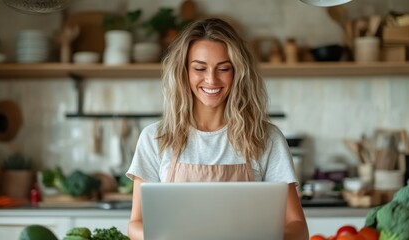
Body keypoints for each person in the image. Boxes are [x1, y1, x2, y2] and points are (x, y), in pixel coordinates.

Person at [126, 17, 309, 240]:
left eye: (223, 68)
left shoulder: (267, 138)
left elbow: (298, 226)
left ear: (238, 73)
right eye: (199, 68)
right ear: (183, 72)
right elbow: (136, 224)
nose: (211, 80)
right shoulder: (155, 137)